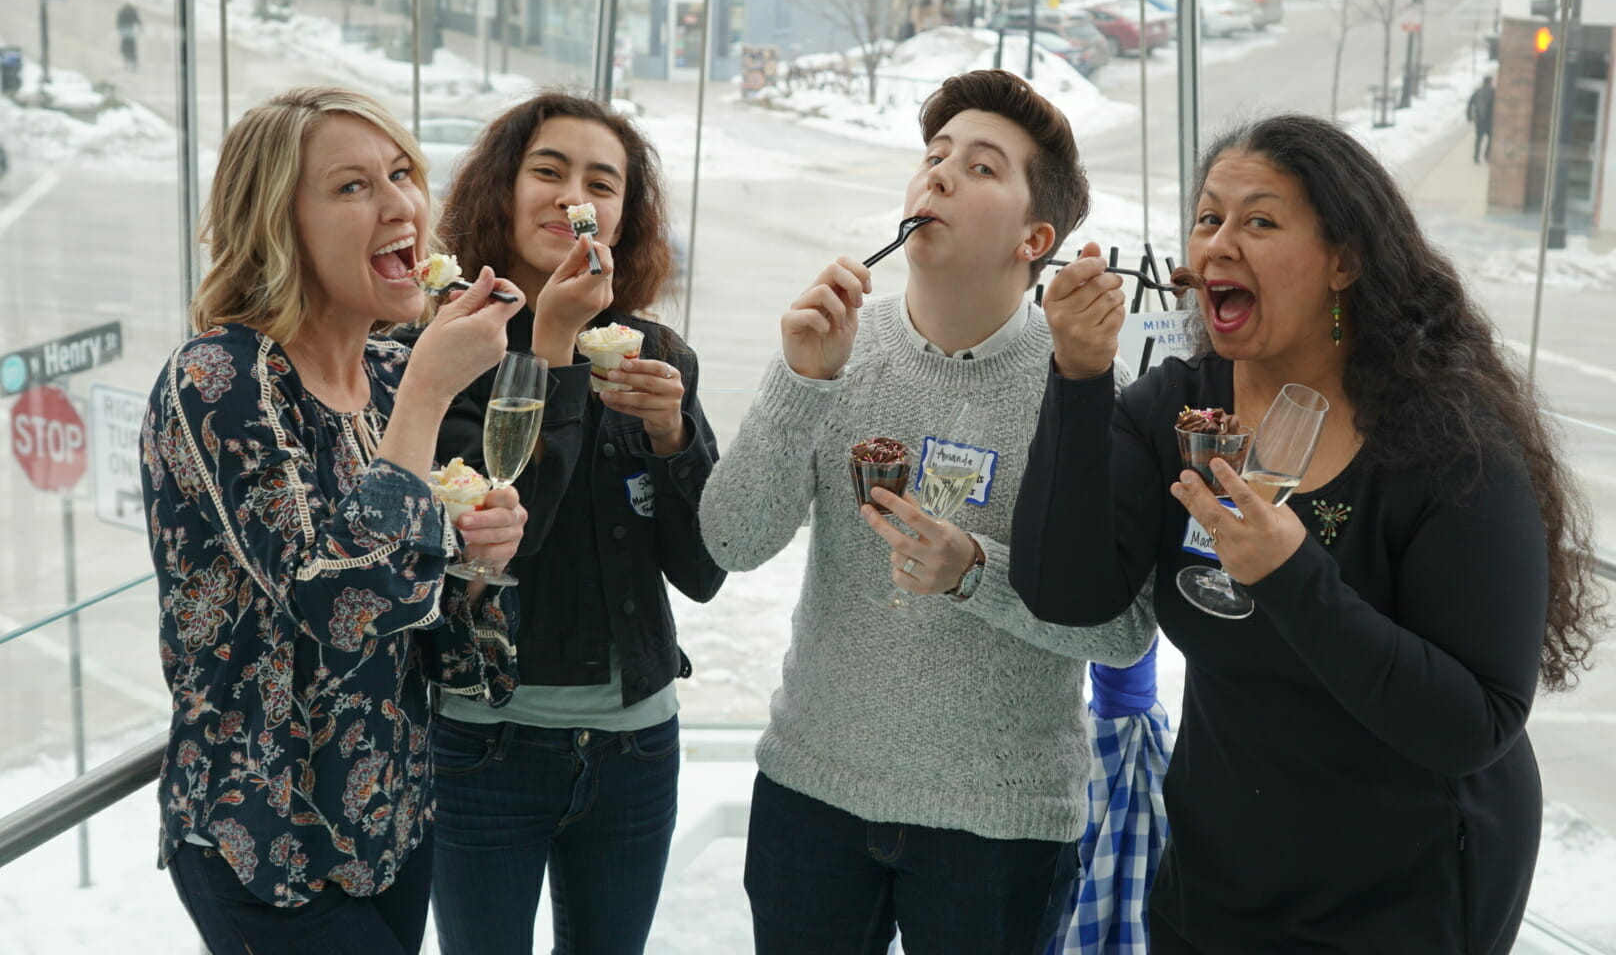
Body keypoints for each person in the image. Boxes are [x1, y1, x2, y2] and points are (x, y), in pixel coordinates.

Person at [1012, 113, 1604, 954]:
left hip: (1407, 898)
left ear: (1344, 260)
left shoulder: (1446, 445)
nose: (1219, 244)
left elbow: (1474, 724)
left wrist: (1295, 578)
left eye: (1260, 221)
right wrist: (1077, 379)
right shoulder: (1179, 410)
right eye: (1209, 217)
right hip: (1218, 887)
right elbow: (1065, 594)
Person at [700, 68, 1156, 955]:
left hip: (1002, 828)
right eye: (934, 157)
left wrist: (975, 575)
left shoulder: (1085, 386)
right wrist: (800, 381)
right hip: (812, 793)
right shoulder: (840, 345)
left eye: (982, 167)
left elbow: (1126, 632)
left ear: (1036, 237)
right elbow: (731, 541)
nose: (937, 176)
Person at [141, 86, 529, 953]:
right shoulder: (221, 379)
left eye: (401, 173)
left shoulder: (389, 375)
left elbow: (423, 623)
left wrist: (475, 558)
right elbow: (335, 601)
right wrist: (433, 391)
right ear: (280, 224)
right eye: (352, 187)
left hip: (390, 824)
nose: (400, 206)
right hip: (267, 842)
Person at [422, 92, 726, 955]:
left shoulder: (656, 355)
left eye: (601, 181)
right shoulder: (446, 344)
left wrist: (673, 439)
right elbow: (503, 539)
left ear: (624, 216)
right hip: (485, 744)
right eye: (547, 171)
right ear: (501, 190)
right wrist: (550, 348)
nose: (571, 196)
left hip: (635, 747)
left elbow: (705, 571)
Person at [1466, 74, 1495, 164]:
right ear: (1490, 82)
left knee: (1479, 139)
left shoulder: (1478, 92)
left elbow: (1470, 103)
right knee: (1491, 139)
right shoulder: (1493, 92)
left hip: (1479, 120)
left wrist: (1469, 116)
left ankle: (1476, 156)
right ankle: (1487, 155)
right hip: (1489, 120)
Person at [116, 2, 142, 71]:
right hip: (128, 33)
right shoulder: (131, 13)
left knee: (128, 50)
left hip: (127, 33)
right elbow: (138, 21)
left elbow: (118, 22)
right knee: (129, 50)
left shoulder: (125, 13)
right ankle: (129, 64)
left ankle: (130, 65)